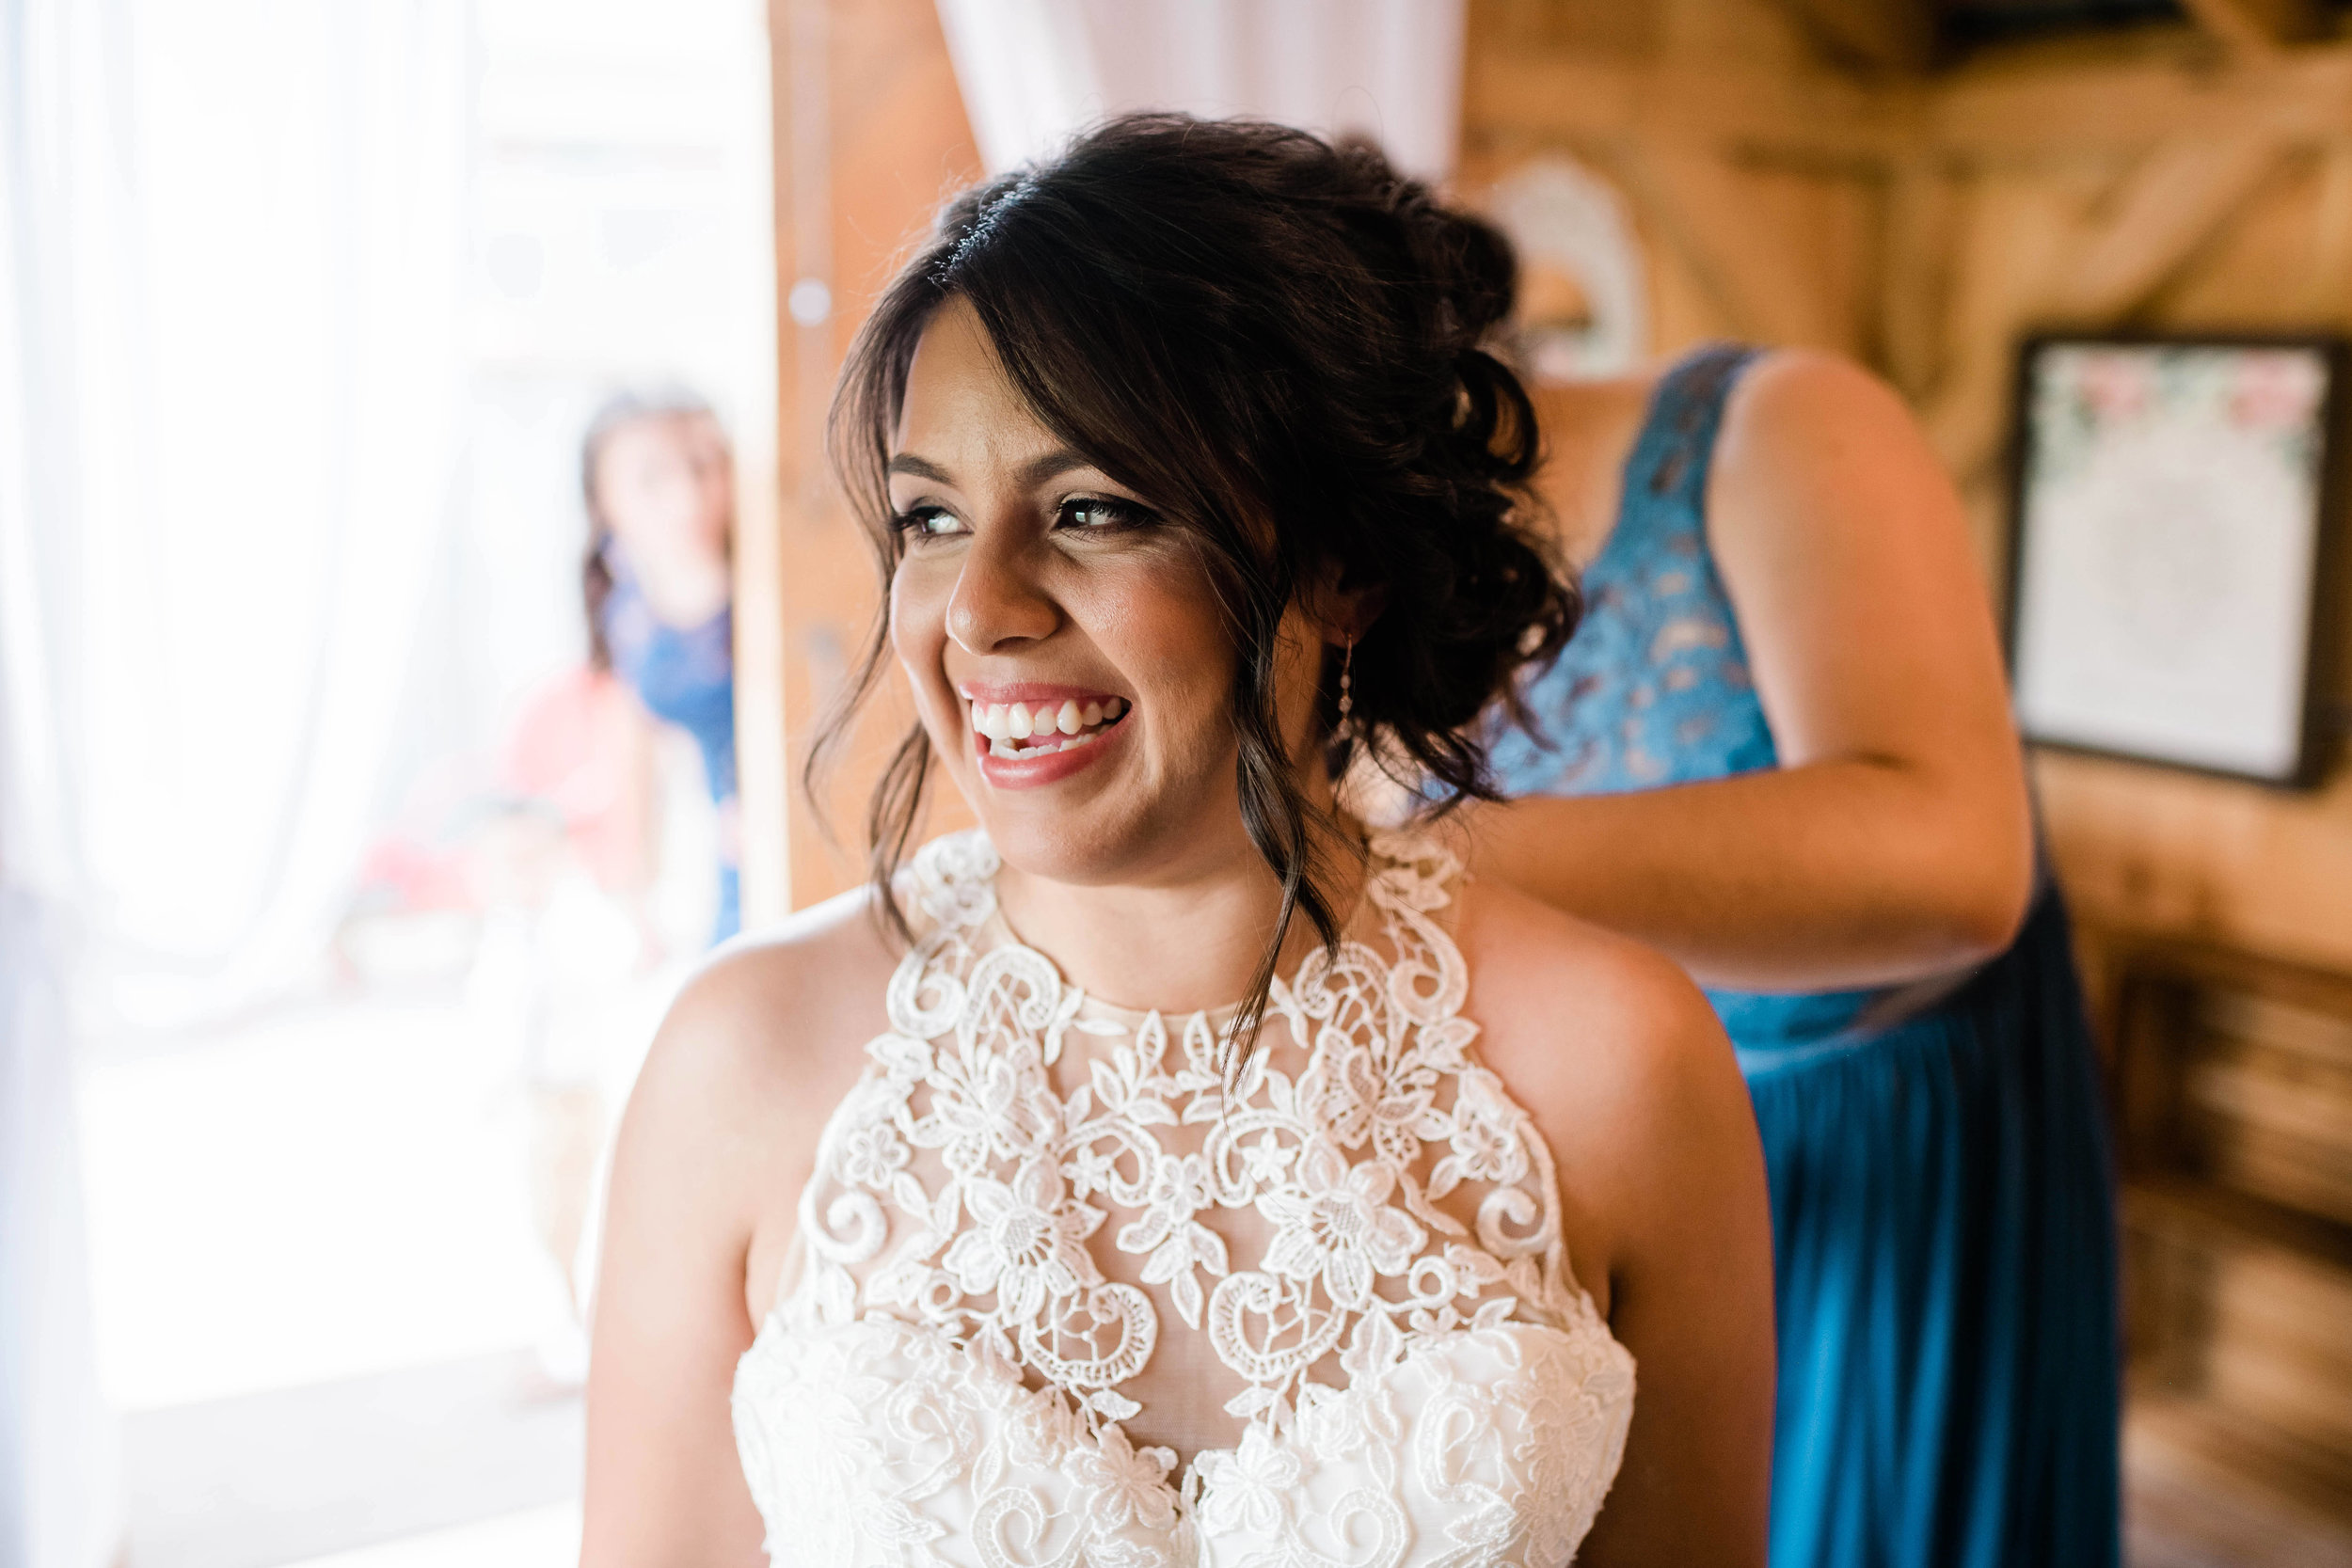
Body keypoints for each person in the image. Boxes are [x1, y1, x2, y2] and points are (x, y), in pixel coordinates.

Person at [582, 116, 1774, 1566]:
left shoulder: (1624, 1068)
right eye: (931, 518)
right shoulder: (742, 1063)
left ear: (1342, 563)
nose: (979, 612)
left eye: (1090, 508)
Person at [1471, 345, 2122, 1567]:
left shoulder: (1774, 431)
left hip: (1893, 1155)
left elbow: (1957, 866)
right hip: (1621, 1192)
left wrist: (1422, 856)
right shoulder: (1322, 595)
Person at [580, 388, 741, 943]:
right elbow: (634, 746)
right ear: (604, 501)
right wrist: (636, 895)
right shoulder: (628, 607)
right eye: (652, 479)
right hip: (731, 849)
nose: (687, 498)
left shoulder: (770, 584)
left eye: (702, 466)